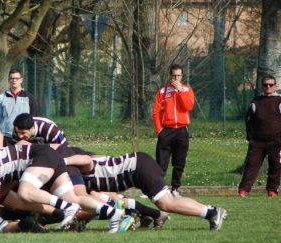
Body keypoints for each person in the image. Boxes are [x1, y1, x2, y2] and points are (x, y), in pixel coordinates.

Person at [0, 144, 125, 235]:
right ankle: (112, 213)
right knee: (74, 198)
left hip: (41, 156)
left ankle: (66, 208)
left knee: (25, 192)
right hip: (48, 155)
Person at [63, 151, 227, 230]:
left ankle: (211, 213)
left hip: (138, 167)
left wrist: (63, 160)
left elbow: (85, 159)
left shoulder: (79, 163)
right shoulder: (84, 183)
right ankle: (210, 211)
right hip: (138, 168)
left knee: (166, 203)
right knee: (166, 201)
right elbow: (106, 199)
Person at [152, 64, 194, 197]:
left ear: (182, 76)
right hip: (166, 131)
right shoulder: (163, 92)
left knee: (179, 161)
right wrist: (159, 130)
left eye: (178, 76)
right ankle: (158, 189)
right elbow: (156, 113)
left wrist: (180, 90)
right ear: (170, 76)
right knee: (161, 162)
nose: (176, 78)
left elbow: (188, 105)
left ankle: (175, 188)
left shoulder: (187, 90)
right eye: (174, 75)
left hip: (181, 130)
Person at [238, 75, 281, 197]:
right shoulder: (256, 101)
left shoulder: (279, 100)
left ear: (275, 86)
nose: (268, 87)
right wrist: (250, 137)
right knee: (251, 165)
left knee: (276, 165)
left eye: (270, 85)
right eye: (265, 85)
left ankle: (272, 190)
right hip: (257, 142)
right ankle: (244, 190)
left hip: (276, 141)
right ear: (262, 86)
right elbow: (248, 120)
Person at [0, 69, 39, 144]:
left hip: (24, 136)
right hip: (6, 136)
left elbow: (34, 118)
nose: (14, 80)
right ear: (8, 80)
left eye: (17, 78)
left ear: (21, 80)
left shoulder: (29, 97)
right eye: (12, 78)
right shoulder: (1, 97)